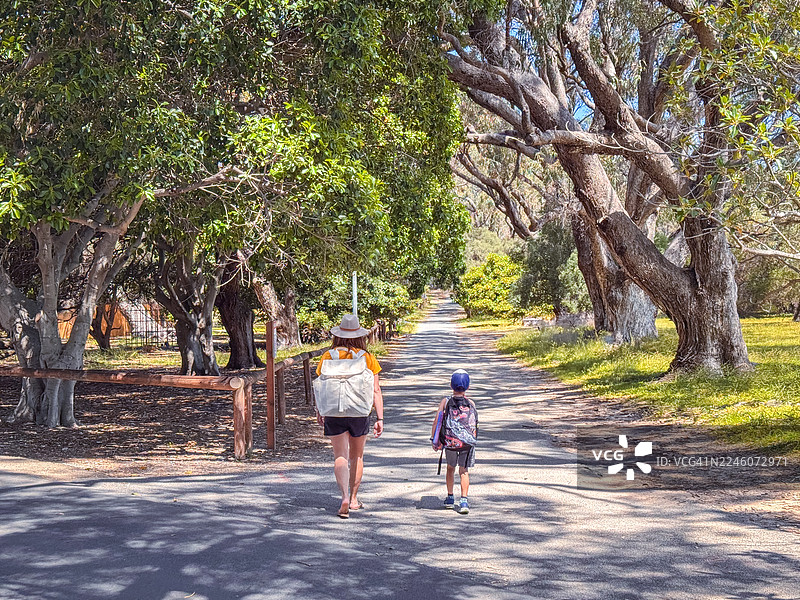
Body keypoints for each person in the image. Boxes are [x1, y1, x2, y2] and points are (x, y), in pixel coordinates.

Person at [316, 314, 384, 519]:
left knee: (340, 456)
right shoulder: (367, 357)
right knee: (357, 456)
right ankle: (354, 499)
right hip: (359, 412)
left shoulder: (328, 356)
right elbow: (376, 390)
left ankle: (343, 496)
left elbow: (321, 386)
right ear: (359, 335)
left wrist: (321, 411)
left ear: (338, 335)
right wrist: (380, 417)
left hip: (334, 411)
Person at [431, 369, 477, 515]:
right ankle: (464, 501)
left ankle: (450, 498)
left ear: (451, 385)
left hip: (450, 442)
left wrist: (435, 440)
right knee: (463, 471)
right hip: (466, 444)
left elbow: (437, 422)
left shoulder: (445, 402)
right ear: (468, 387)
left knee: (450, 468)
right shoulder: (471, 403)